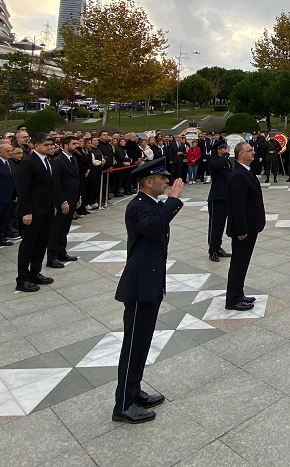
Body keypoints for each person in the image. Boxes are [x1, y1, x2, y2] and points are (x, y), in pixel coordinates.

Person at [113, 157, 183, 424]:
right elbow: (153, 228)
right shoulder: (137, 206)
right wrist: (173, 201)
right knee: (133, 344)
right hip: (140, 285)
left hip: (151, 283)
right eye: (163, 178)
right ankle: (123, 404)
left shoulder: (151, 204)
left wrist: (168, 204)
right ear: (148, 182)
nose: (167, 182)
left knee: (142, 343)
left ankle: (134, 391)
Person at [14, 133, 58, 292]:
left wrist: (53, 205)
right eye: (45, 145)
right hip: (33, 210)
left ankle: (35, 272)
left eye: (50, 144)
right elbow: (23, 189)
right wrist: (26, 211)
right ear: (36, 145)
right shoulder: (28, 163)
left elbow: (49, 185)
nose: (49, 147)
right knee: (29, 244)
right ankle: (22, 278)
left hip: (46, 209)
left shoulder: (48, 161)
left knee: (41, 243)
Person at [225, 141, 265, 311]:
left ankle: (238, 293)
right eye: (250, 151)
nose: (253, 153)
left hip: (251, 225)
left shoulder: (246, 171)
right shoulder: (238, 175)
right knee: (239, 263)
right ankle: (233, 299)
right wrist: (241, 229)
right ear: (241, 155)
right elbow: (237, 206)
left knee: (243, 262)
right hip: (244, 229)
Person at [48, 135, 82, 268]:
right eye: (74, 143)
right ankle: (52, 257)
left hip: (73, 198)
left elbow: (76, 179)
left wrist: (79, 196)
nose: (77, 145)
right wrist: (62, 201)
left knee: (65, 228)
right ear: (66, 145)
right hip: (64, 200)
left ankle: (62, 251)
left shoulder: (73, 159)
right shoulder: (58, 161)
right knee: (57, 228)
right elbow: (56, 183)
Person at [205, 140, 232, 262]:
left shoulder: (226, 161)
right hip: (216, 197)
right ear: (219, 150)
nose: (227, 151)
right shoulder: (214, 161)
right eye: (224, 149)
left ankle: (218, 247)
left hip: (226, 196)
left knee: (221, 224)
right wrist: (225, 155)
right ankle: (212, 250)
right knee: (214, 224)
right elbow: (217, 166)